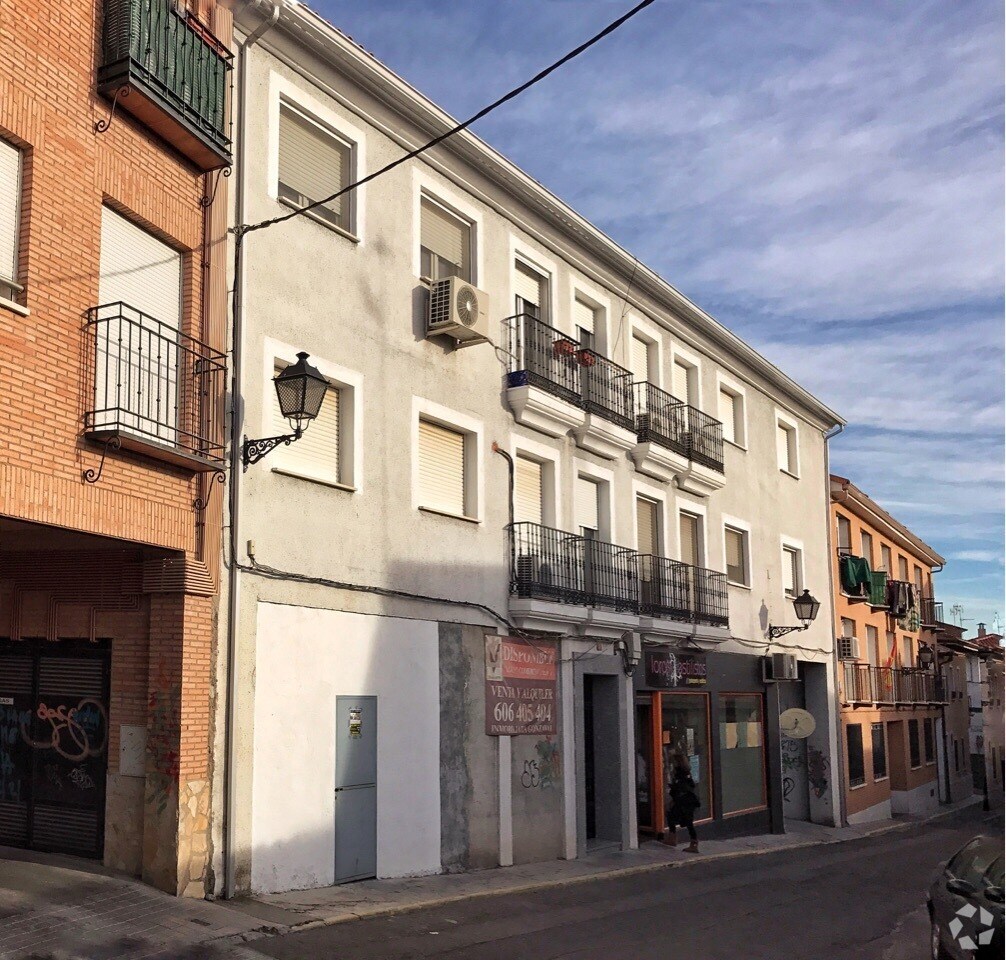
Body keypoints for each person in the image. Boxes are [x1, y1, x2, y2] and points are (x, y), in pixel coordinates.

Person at [664, 752, 700, 853]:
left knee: (687, 822)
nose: (672, 763)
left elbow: (682, 787)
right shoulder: (686, 772)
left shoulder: (681, 773)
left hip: (685, 801)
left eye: (674, 761)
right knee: (671, 816)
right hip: (685, 800)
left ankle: (693, 843)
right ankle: (673, 838)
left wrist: (673, 788)